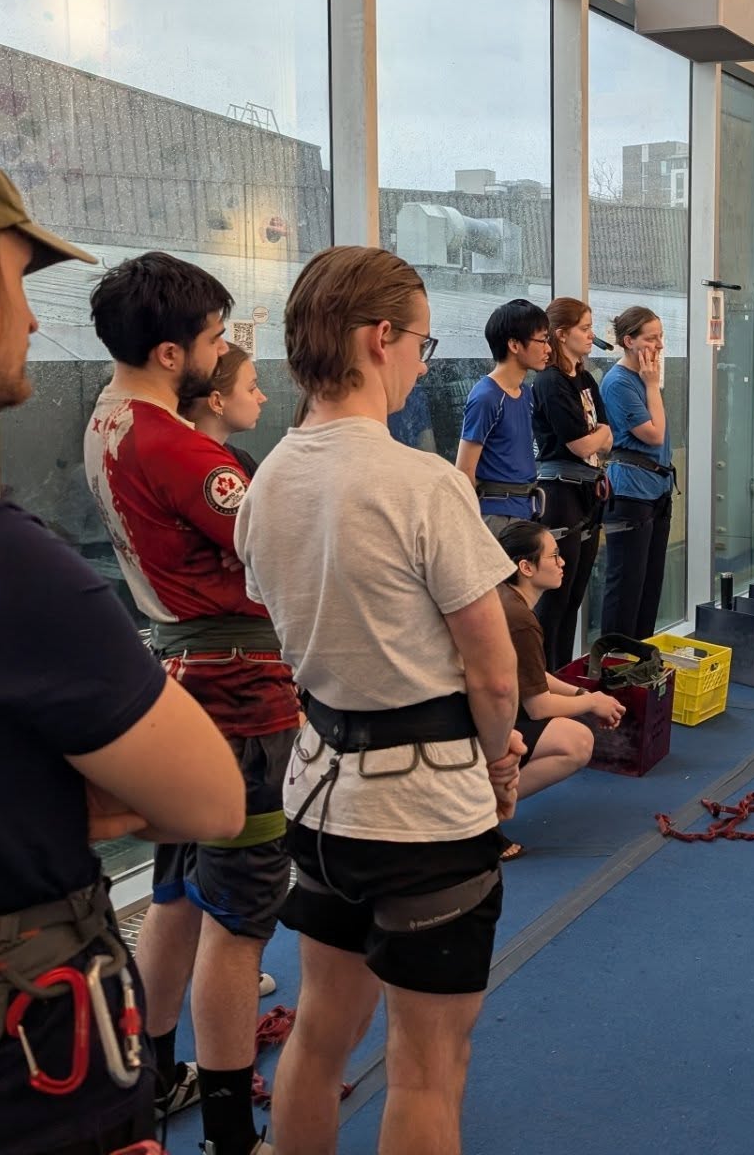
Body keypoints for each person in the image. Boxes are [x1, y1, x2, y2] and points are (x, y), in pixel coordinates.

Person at [0, 139, 243, 1155]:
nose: (28, 319)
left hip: (144, 660)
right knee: (230, 877)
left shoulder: (106, 431)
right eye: (19, 281)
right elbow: (205, 799)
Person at [234, 246, 523, 1155]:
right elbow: (492, 673)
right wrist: (500, 761)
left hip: (320, 798)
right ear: (380, 336)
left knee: (321, 1033)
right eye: (423, 343)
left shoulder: (266, 480)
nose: (424, 365)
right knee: (428, 1067)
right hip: (427, 806)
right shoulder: (421, 483)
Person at [84, 253, 300, 1155]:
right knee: (241, 918)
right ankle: (226, 1131)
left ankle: (157, 1073)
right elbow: (280, 554)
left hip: (181, 681)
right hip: (240, 695)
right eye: (216, 338)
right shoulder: (181, 448)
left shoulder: (109, 416)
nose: (225, 351)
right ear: (173, 352)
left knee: (176, 893)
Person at [493, 521, 625, 857]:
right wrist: (592, 703)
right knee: (577, 742)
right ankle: (478, 817)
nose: (563, 562)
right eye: (553, 556)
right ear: (526, 567)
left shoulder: (505, 599)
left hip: (472, 713)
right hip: (474, 723)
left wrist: (581, 695)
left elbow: (533, 675)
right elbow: (537, 707)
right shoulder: (519, 619)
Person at [532, 298, 612, 669]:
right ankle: (544, 679)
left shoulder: (584, 378)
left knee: (576, 595)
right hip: (560, 492)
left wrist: (596, 435)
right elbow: (580, 443)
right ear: (561, 335)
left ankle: (562, 675)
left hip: (587, 491)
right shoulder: (549, 382)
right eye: (584, 327)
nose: (591, 335)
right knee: (557, 598)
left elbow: (609, 435)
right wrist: (596, 436)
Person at [600, 306, 677, 640]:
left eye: (661, 337)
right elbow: (654, 434)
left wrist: (651, 383)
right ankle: (615, 662)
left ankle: (642, 658)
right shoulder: (619, 383)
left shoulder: (643, 380)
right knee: (627, 584)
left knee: (650, 583)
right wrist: (652, 384)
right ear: (628, 341)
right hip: (631, 491)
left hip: (657, 488)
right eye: (651, 338)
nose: (659, 345)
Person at [456, 298, 549, 533]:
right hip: (496, 515)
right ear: (514, 345)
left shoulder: (526, 393)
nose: (548, 349)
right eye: (542, 340)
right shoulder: (486, 396)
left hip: (526, 509)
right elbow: (464, 469)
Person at [177, 345, 269, 479]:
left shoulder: (241, 460)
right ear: (217, 402)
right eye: (252, 388)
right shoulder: (182, 468)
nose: (262, 398)